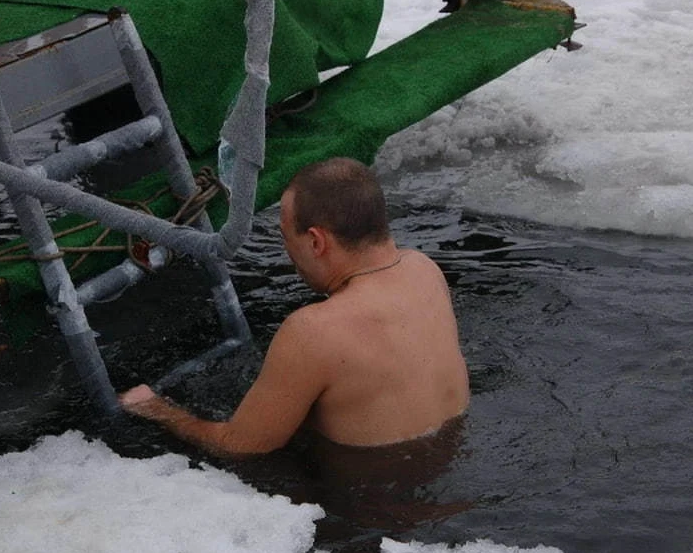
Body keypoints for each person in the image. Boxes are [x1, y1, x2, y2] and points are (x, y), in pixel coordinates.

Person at [120, 157, 469, 457]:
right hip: (449, 456)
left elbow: (241, 445)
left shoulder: (313, 331)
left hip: (374, 501)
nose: (288, 254)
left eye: (286, 238)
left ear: (316, 241)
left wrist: (158, 410)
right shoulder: (424, 269)